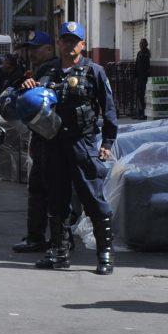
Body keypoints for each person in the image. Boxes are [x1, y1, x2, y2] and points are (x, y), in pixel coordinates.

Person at [34, 22, 119, 275]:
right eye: (65, 40)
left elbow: (109, 108)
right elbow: (33, 107)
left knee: (93, 198)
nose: (70, 45)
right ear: (58, 43)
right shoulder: (46, 70)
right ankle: (59, 253)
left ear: (83, 45)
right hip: (53, 143)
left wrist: (107, 143)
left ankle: (104, 255)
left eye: (75, 41)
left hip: (82, 143)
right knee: (56, 199)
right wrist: (28, 89)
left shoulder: (94, 71)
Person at [12, 31, 57, 254]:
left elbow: (43, 101)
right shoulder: (40, 69)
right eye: (29, 48)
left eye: (36, 48)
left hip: (52, 139)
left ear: (49, 49)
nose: (31, 53)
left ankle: (42, 238)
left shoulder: (53, 69)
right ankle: (42, 237)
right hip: (42, 137)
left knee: (43, 190)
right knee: (41, 189)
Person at [134, 39, 151, 119]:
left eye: (142, 44)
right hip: (139, 77)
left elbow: (148, 66)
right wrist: (135, 76)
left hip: (145, 78)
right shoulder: (139, 53)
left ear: (146, 45)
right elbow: (136, 64)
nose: (140, 45)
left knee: (144, 95)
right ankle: (139, 112)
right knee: (139, 95)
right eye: (140, 44)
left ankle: (144, 113)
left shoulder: (147, 53)